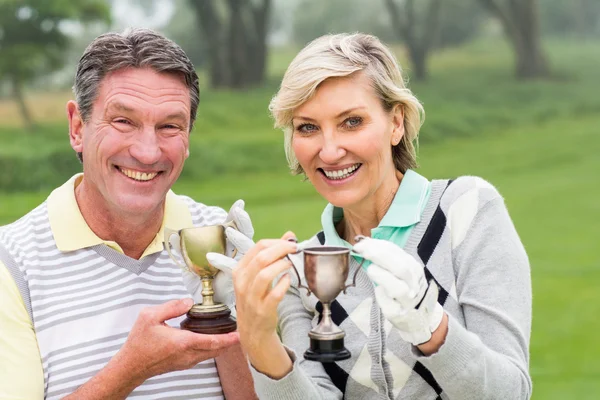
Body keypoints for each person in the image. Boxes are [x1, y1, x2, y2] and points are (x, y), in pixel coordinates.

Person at [209, 33, 533, 399]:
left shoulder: (467, 210)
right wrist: (257, 335)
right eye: (308, 127)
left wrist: (432, 328)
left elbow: (512, 392)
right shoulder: (304, 268)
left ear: (396, 123)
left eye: (351, 122)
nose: (329, 152)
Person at [0, 28, 257, 399]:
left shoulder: (219, 238)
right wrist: (132, 369)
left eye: (170, 126)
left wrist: (233, 317)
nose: (148, 152)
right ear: (77, 127)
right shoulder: (12, 264)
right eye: (124, 121)